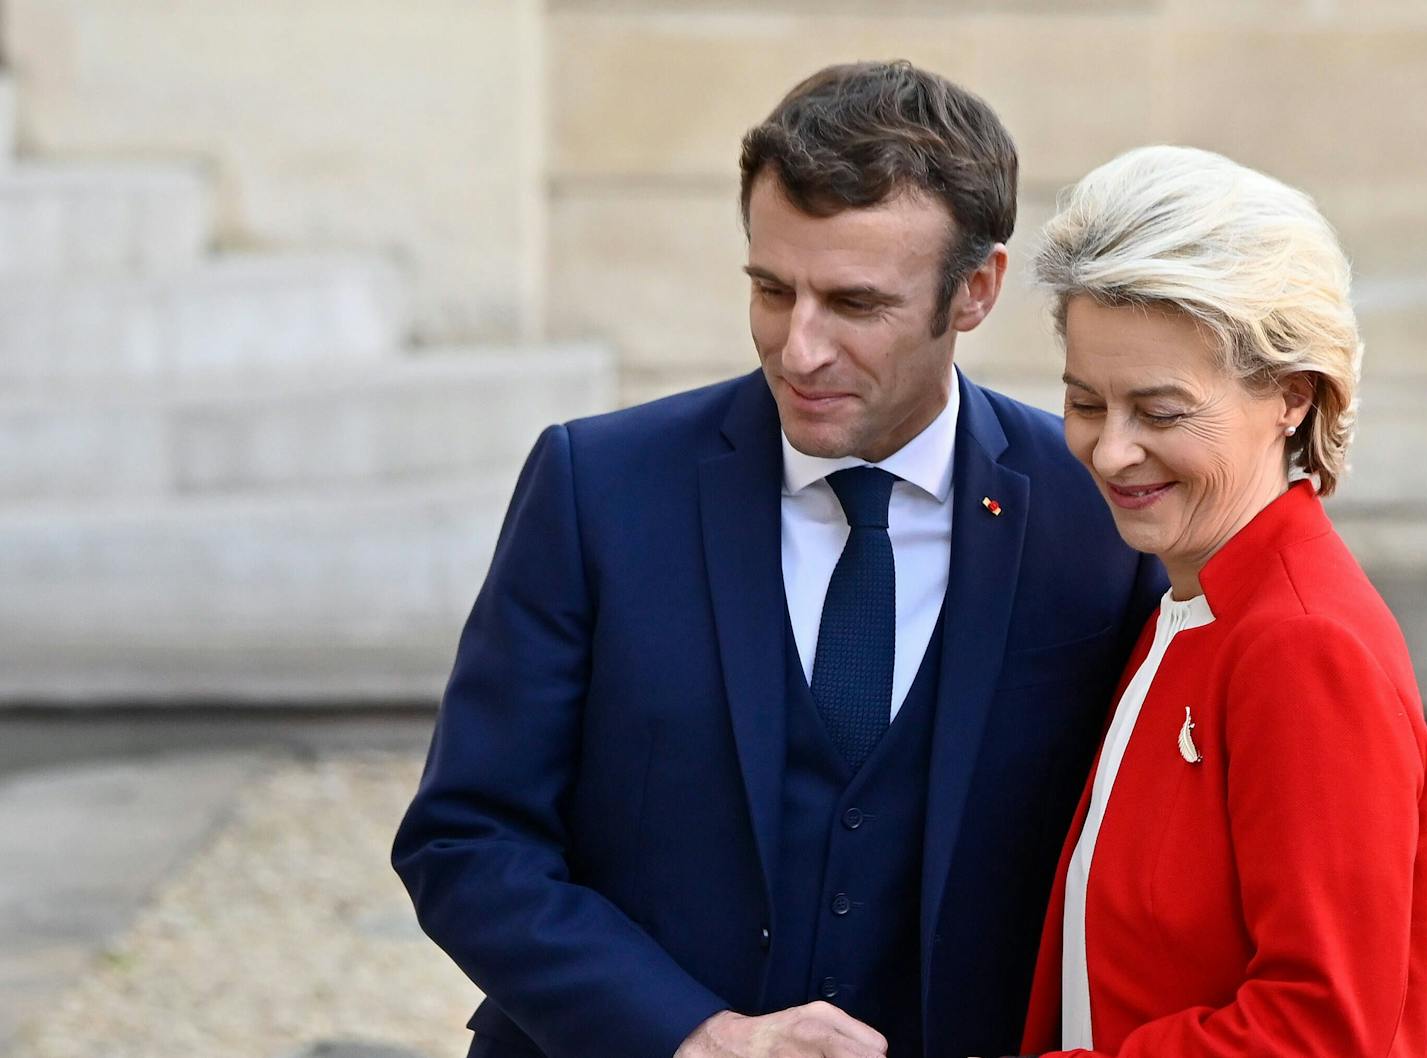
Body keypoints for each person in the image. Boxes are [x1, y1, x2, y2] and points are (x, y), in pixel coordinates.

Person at [390, 62, 1164, 1058]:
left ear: (974, 291)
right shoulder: (597, 488)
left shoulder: (1094, 512)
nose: (798, 349)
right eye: (770, 289)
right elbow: (466, 837)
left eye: (854, 303)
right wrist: (691, 1034)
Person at [1015, 146, 1427, 1058]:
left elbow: (1320, 1030)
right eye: (1085, 403)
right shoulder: (1192, 602)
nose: (1110, 451)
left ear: (1293, 396)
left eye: (1161, 412)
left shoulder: (1302, 645)